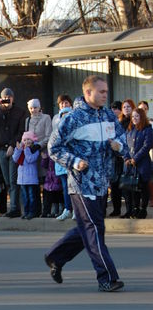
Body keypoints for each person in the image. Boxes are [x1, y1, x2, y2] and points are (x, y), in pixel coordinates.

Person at [45, 75, 128, 292]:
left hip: (102, 183)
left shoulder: (109, 116)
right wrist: (75, 161)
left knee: (87, 228)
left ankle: (55, 256)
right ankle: (107, 277)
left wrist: (119, 146)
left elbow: (123, 141)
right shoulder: (74, 118)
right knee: (94, 229)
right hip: (82, 184)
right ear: (88, 93)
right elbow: (53, 148)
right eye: (101, 91)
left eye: (106, 91)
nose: (105, 94)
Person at [0, 88, 26, 217]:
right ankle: (14, 206)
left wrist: (13, 145)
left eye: (9, 97)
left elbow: (21, 131)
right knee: (7, 180)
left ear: (13, 98)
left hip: (14, 149)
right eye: (4, 97)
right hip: (1, 149)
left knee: (14, 180)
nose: (7, 100)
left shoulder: (20, 112)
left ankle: (15, 208)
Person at [123, 106, 153, 219]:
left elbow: (147, 146)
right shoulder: (130, 129)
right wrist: (126, 158)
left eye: (137, 116)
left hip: (142, 163)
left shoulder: (147, 129)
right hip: (131, 165)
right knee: (133, 187)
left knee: (143, 187)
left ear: (142, 117)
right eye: (133, 116)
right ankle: (135, 208)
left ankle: (143, 209)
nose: (134, 118)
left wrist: (135, 158)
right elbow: (125, 145)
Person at [12, 130, 40, 219]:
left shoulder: (34, 149)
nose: (27, 142)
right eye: (25, 140)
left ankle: (32, 212)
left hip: (31, 178)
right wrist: (18, 150)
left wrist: (26, 150)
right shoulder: (22, 149)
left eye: (29, 139)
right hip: (22, 178)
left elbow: (30, 159)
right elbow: (15, 159)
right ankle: (26, 212)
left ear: (32, 140)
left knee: (31, 196)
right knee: (25, 197)